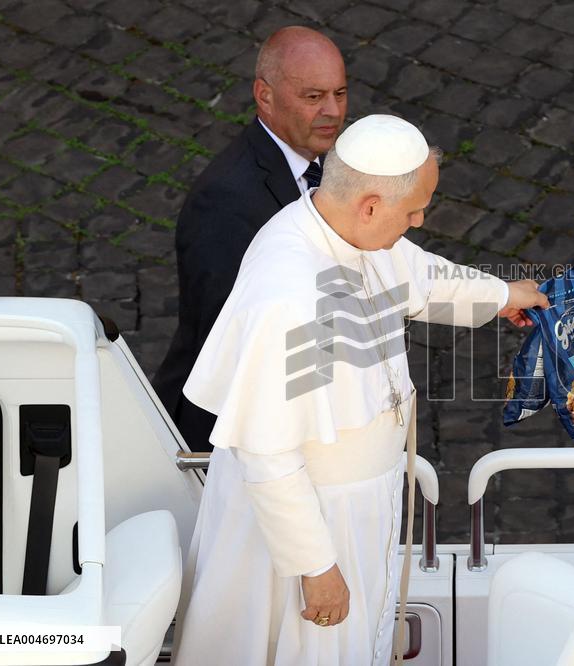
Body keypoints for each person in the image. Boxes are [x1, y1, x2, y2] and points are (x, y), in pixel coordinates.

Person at [171, 114, 548, 665]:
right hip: (309, 526)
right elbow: (268, 452)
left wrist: (503, 294)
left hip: (356, 505)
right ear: (370, 204)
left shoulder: (352, 230)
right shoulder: (291, 297)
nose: (419, 221)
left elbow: (422, 277)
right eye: (414, 210)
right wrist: (316, 567)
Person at [153, 26, 348, 453]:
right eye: (314, 97)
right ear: (265, 96)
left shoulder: (326, 165)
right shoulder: (223, 202)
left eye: (340, 93)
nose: (333, 111)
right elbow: (230, 341)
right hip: (230, 441)